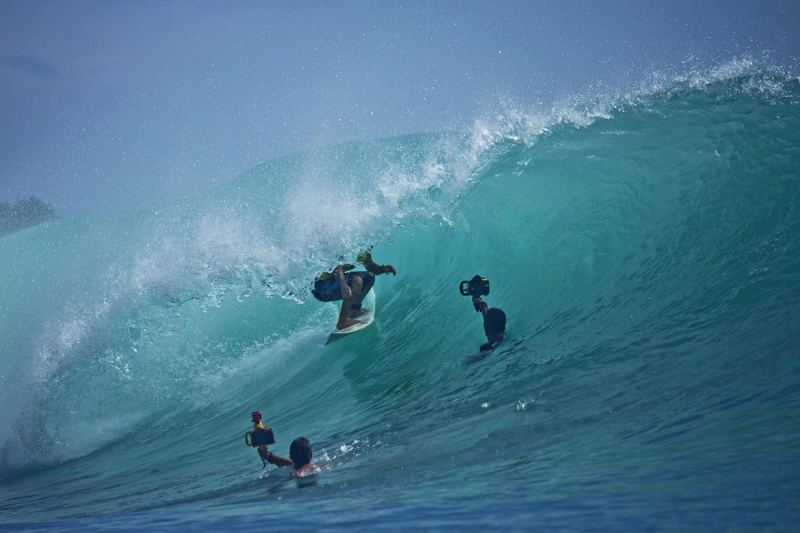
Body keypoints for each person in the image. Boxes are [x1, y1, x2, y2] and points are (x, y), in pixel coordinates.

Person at [311, 250, 396, 329]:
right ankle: (343, 320)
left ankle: (354, 310)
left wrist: (383, 269)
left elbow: (372, 269)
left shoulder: (365, 252)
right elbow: (337, 269)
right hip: (321, 288)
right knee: (357, 281)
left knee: (369, 276)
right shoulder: (349, 247)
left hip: (332, 284)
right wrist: (343, 284)